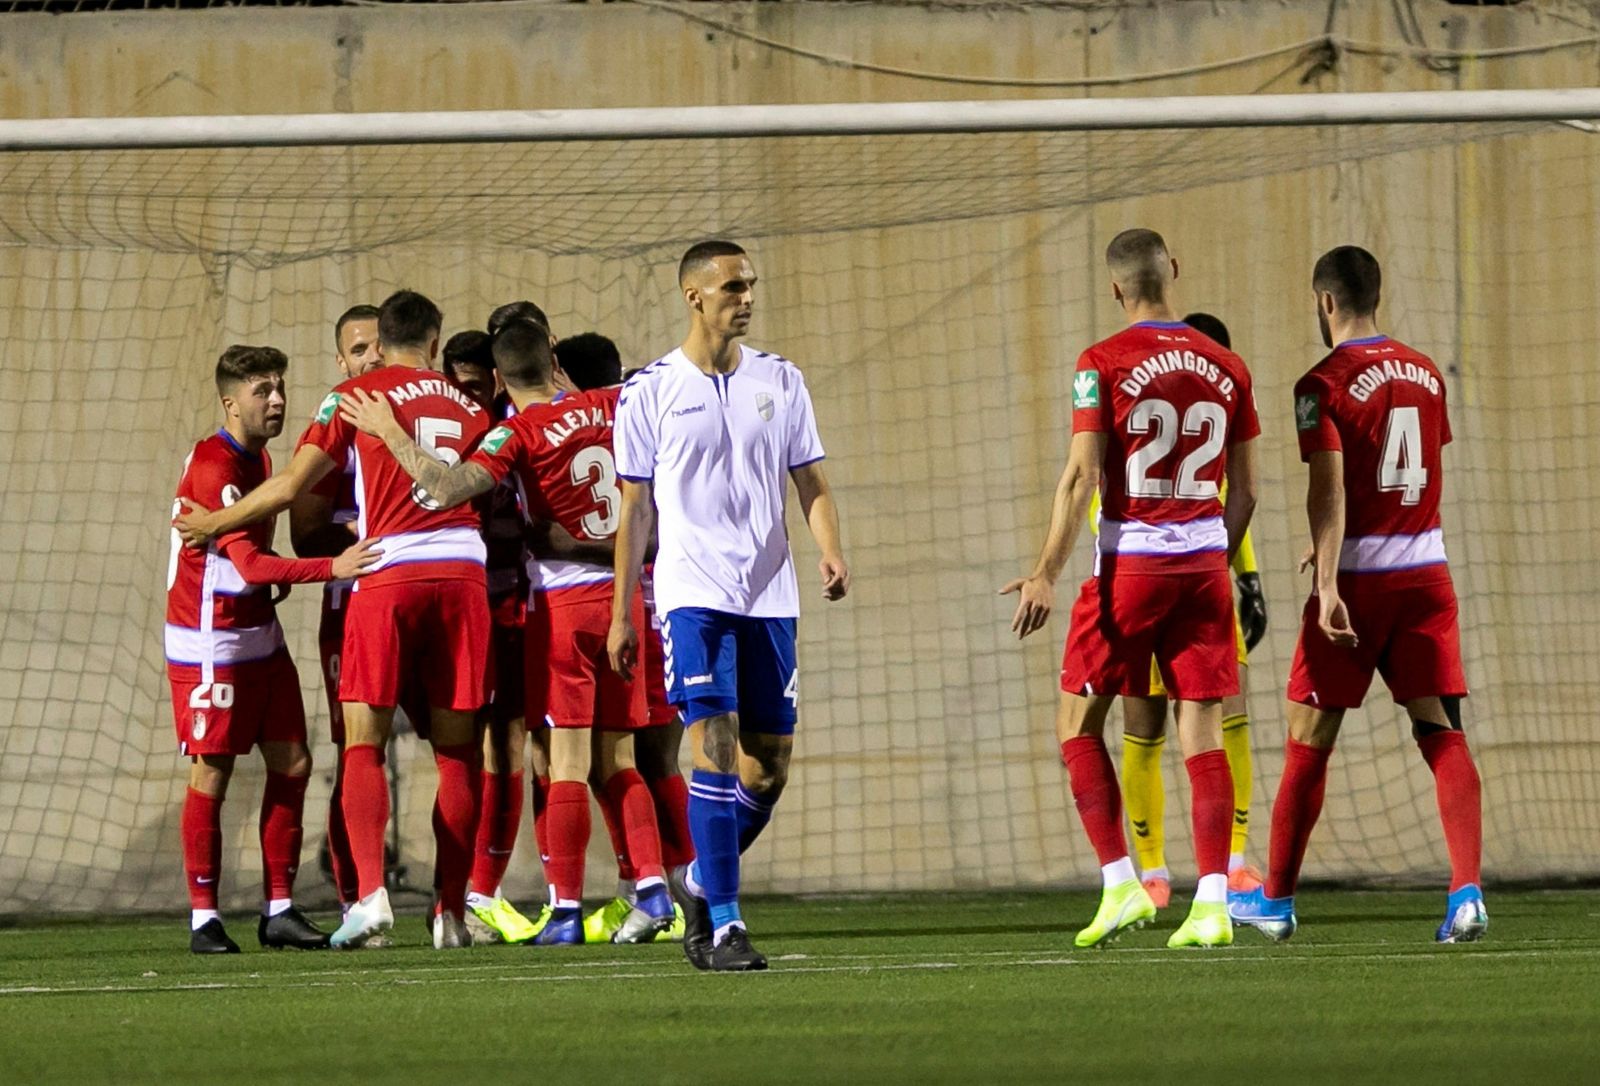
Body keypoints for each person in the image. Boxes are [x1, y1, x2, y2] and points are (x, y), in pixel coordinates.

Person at [337, 317, 677, 945]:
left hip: (562, 608)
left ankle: (566, 912)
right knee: (623, 758)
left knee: (565, 763)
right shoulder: (614, 402)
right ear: (553, 359)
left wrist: (388, 431)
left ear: (495, 378)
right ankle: (657, 890)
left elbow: (442, 486)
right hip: (629, 601)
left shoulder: (514, 433)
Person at [177, 290, 492, 950]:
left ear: (385, 344)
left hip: (383, 576)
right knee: (462, 753)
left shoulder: (351, 401)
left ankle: (369, 897)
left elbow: (293, 491)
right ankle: (450, 914)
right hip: (465, 576)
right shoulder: (470, 404)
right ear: (434, 343)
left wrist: (214, 523)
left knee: (361, 745)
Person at [1003, 228, 1259, 950]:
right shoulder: (1227, 364)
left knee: (1078, 726)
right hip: (1205, 570)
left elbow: (1082, 475)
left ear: (1117, 289)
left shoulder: (1100, 363)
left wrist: (1046, 571)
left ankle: (1122, 883)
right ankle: (1212, 903)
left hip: (1129, 572)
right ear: (1173, 271)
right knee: (1201, 735)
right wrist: (1213, 549)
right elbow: (1247, 493)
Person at [1230, 246, 1485, 944]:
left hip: (1361, 585)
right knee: (1440, 731)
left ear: (1325, 301)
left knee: (1309, 737)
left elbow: (1331, 486)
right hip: (1427, 575)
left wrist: (1330, 579)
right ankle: (1466, 892)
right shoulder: (1427, 373)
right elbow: (1415, 477)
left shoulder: (1322, 382)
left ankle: (1276, 902)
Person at [608, 240, 850, 971]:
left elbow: (810, 482)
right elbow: (636, 513)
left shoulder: (781, 379)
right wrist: (624, 611)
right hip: (691, 594)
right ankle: (722, 924)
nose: (747, 297)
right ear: (694, 296)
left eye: (751, 285)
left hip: (769, 595)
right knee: (712, 745)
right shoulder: (648, 391)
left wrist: (830, 549)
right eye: (734, 286)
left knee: (767, 766)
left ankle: (702, 878)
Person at [166, 345, 377, 952]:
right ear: (231, 402)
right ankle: (204, 918)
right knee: (213, 770)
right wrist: (331, 565)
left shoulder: (258, 462)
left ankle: (278, 909)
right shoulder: (215, 468)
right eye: (262, 391)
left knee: (293, 763)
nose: (277, 400)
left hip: (258, 633)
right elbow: (252, 565)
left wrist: (280, 576)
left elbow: (251, 568)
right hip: (211, 641)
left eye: (280, 387)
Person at [1112, 311, 1268, 908]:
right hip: (1155, 576)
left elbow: (1235, 495)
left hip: (1200, 581)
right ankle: (1152, 870)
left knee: (1230, 715)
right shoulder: (1150, 407)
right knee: (1146, 725)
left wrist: (1246, 576)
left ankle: (1232, 860)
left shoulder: (1211, 421)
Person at [437, 329, 543, 945]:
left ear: (497, 383)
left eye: (476, 387)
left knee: (506, 746)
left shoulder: (512, 432)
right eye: (457, 386)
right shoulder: (446, 428)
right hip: (447, 603)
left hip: (509, 604)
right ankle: (392, 898)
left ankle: (480, 891)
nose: (465, 397)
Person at [288, 304, 383, 927]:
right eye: (357, 350)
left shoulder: (430, 409)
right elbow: (303, 532)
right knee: (357, 747)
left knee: (475, 742)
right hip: (354, 610)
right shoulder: (339, 418)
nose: (370, 357)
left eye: (378, 345)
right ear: (342, 363)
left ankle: (462, 902)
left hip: (437, 601)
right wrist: (356, 538)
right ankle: (354, 897)